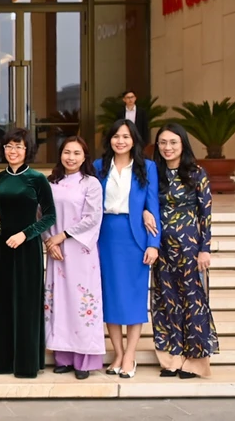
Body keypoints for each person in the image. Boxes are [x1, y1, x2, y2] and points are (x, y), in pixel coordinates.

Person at [0, 129, 56, 378]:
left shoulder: (38, 179)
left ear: (27, 150)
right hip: (1, 250)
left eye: (18, 146)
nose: (12, 151)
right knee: (1, 303)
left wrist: (26, 234)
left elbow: (50, 215)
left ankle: (26, 364)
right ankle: (0, 361)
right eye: (8, 146)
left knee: (25, 305)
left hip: (27, 249)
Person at [152, 123, 219, 378]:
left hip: (190, 247)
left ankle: (195, 361)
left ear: (183, 145)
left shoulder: (196, 172)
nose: (168, 147)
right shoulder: (154, 173)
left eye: (173, 142)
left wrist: (205, 249)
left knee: (193, 301)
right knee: (166, 301)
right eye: (163, 143)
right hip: (161, 248)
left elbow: (206, 213)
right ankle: (171, 358)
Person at [96, 119, 160, 379]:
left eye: (125, 136)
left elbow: (153, 204)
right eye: (116, 136)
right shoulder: (99, 167)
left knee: (133, 298)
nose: (120, 141)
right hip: (105, 236)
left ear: (134, 140)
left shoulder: (148, 167)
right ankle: (118, 353)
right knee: (109, 296)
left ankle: (131, 355)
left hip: (135, 237)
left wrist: (153, 243)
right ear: (109, 139)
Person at [43, 136, 105, 380]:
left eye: (76, 153)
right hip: (55, 252)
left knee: (82, 303)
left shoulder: (91, 184)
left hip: (80, 252)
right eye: (67, 152)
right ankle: (63, 357)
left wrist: (63, 236)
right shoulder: (50, 182)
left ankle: (84, 359)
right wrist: (49, 241)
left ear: (84, 156)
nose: (71, 157)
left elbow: (92, 217)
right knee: (59, 301)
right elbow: (43, 213)